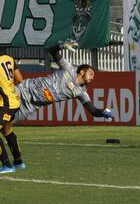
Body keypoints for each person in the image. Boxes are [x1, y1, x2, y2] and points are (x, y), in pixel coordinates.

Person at [0, 40, 112, 170]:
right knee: (3, 124)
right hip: (24, 90)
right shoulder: (68, 69)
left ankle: (18, 162)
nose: (93, 77)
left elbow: (92, 110)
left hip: (31, 105)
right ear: (81, 72)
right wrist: (62, 46)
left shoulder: (81, 92)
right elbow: (52, 51)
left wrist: (103, 112)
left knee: (6, 128)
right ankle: (10, 163)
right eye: (91, 74)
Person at [0, 48, 24, 174]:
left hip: (5, 104)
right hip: (14, 100)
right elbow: (19, 79)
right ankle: (18, 162)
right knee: (7, 130)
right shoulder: (9, 58)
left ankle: (6, 165)